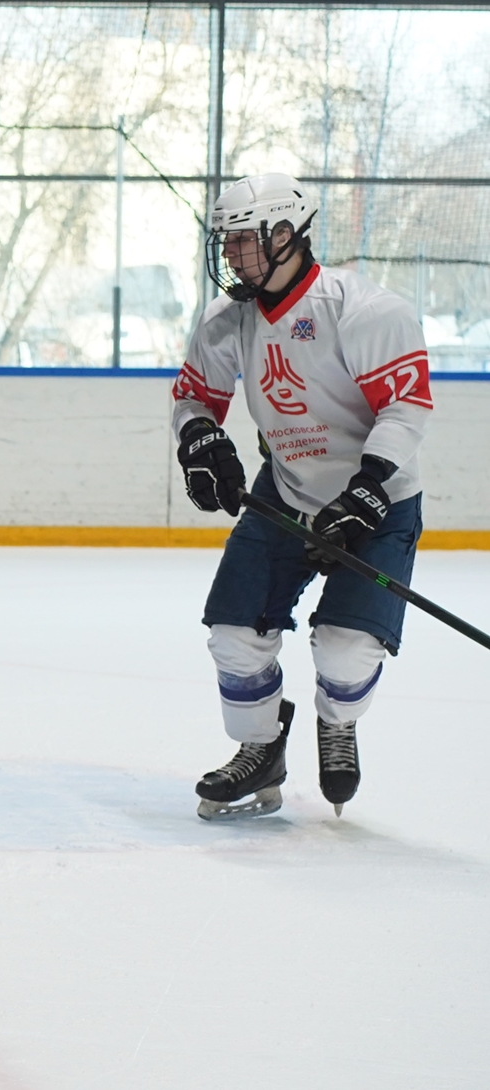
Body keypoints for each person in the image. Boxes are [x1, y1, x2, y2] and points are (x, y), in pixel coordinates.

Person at [173, 172, 433, 821]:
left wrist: (369, 487)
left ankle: (337, 720)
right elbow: (192, 399)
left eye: (242, 241)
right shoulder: (227, 320)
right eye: (225, 243)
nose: (230, 255)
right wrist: (201, 440)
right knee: (233, 635)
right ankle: (262, 749)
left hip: (380, 502)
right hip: (286, 494)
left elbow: (404, 408)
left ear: (284, 235)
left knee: (345, 655)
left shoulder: (366, 310)